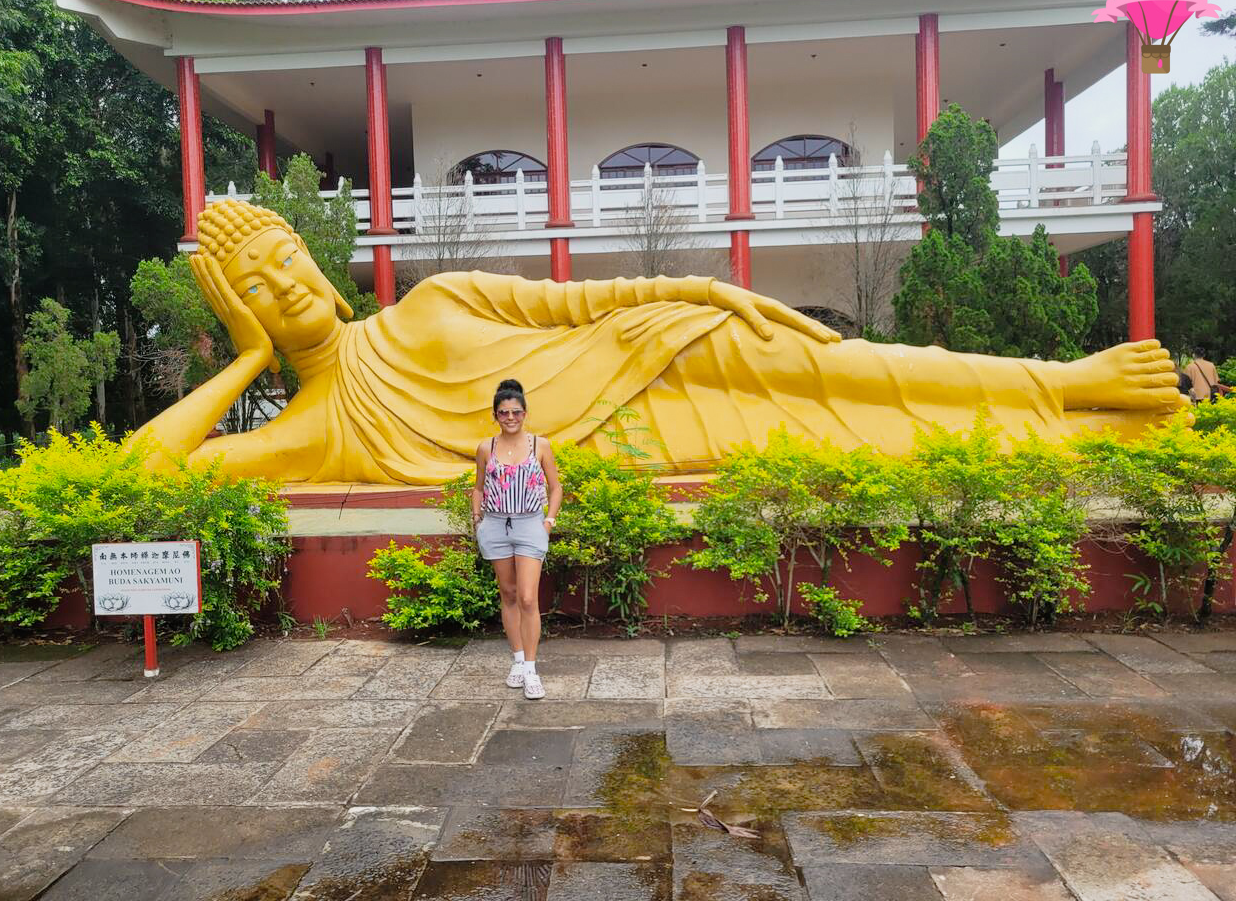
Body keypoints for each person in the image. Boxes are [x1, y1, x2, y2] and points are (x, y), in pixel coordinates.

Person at [130, 200, 1189, 484]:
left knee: (836, 366)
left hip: (655, 345)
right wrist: (247, 360)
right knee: (843, 438)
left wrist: (700, 286)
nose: (290, 286)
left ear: (321, 258)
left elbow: (578, 302)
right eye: (259, 288)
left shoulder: (435, 299)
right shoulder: (315, 429)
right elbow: (148, 469)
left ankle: (1062, 381)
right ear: (248, 310)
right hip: (630, 439)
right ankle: (1081, 432)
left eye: (289, 259)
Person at [471, 379, 562, 700]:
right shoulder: (487, 448)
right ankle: (518, 661)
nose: (510, 417)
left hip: (529, 525)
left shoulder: (541, 445)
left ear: (525, 413)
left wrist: (548, 521)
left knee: (527, 597)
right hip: (495, 526)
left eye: (516, 412)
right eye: (504, 412)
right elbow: (479, 487)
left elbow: (556, 486)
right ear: (495, 415)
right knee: (508, 594)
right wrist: (478, 519)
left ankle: (532, 670)